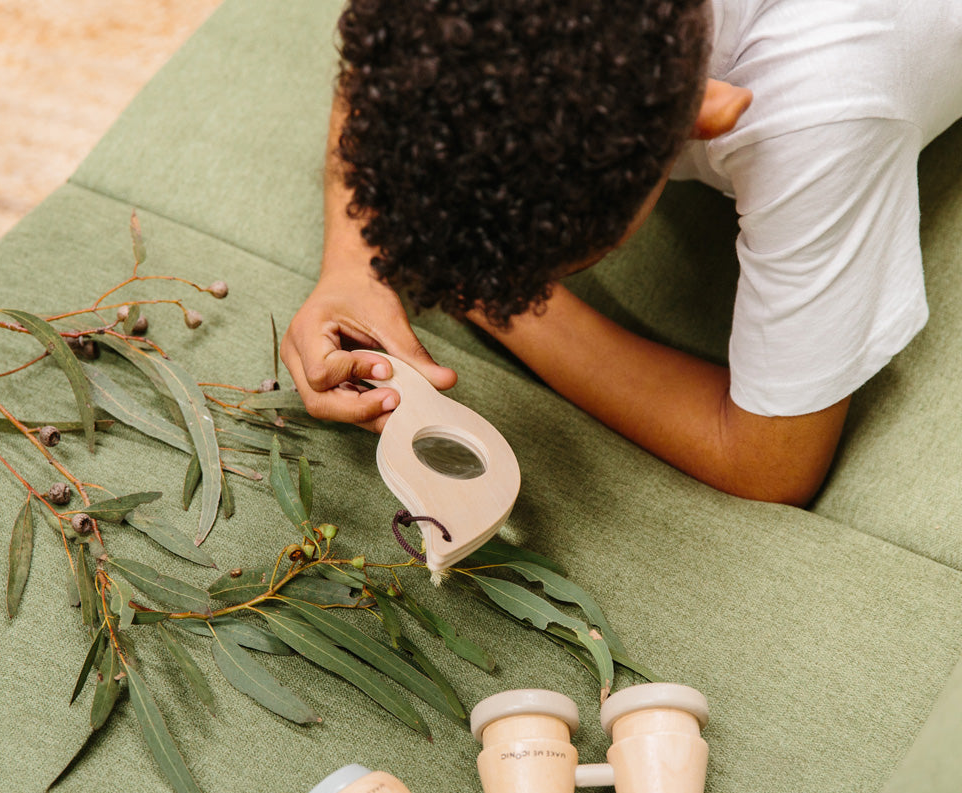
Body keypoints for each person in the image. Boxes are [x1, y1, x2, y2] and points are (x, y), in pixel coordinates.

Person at [281, 0, 962, 505]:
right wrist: (354, 250)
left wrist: (485, 293)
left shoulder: (819, 106)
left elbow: (767, 461)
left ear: (706, 116)